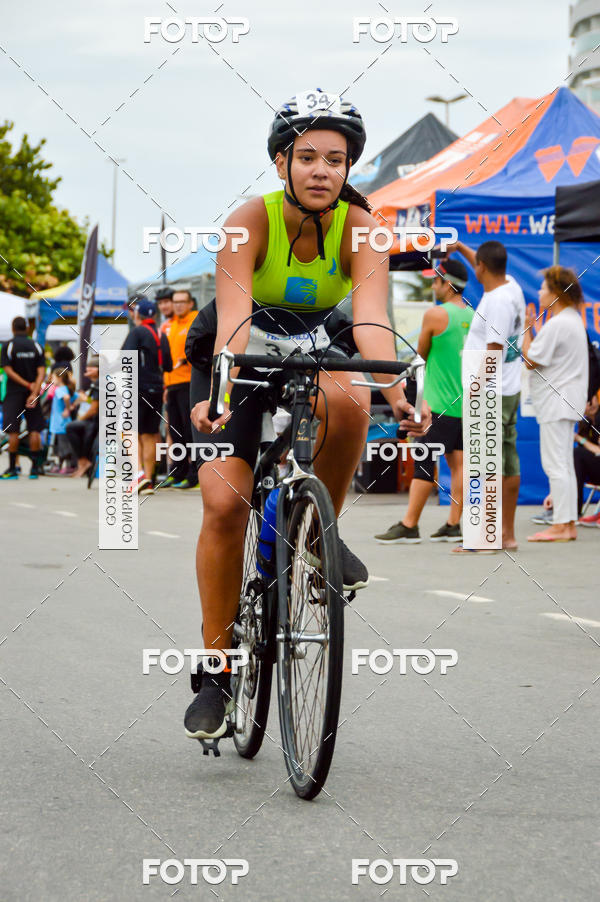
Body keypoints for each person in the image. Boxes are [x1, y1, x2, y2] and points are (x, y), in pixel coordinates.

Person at [181, 89, 430, 741]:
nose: (322, 170)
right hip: (234, 357)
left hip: (317, 350)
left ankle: (320, 535)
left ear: (349, 169)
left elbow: (373, 321)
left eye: (336, 159)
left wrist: (399, 392)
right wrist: (218, 396)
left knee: (353, 393)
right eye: (309, 157)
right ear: (280, 162)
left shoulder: (364, 229)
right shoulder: (249, 220)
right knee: (223, 503)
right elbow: (233, 320)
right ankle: (216, 672)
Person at [375, 259, 473, 544]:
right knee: (459, 464)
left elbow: (420, 358)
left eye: (437, 281)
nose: (433, 286)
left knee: (424, 462)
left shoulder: (436, 315)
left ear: (447, 283)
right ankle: (454, 524)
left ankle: (409, 525)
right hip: (465, 403)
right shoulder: (474, 315)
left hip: (438, 403)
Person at [449, 240, 526, 551]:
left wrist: (475, 393)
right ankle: (505, 534)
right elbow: (484, 263)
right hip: (508, 388)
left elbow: (493, 352)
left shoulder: (496, 301)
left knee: (482, 465)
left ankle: (483, 536)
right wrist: (459, 247)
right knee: (506, 462)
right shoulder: (512, 286)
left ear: (481, 267)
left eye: (476, 264)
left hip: (489, 392)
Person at [522, 267, 589, 541]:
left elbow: (530, 358)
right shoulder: (570, 320)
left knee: (556, 464)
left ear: (556, 293)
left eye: (543, 288)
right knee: (563, 464)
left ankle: (562, 524)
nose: (539, 292)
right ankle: (567, 523)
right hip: (565, 402)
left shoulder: (559, 323)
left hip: (557, 402)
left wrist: (527, 328)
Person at [122, 295, 172, 495]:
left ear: (137, 314)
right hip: (157, 388)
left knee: (129, 431)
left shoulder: (137, 332)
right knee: (150, 433)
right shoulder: (161, 333)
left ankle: (138, 475)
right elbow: (167, 365)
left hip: (138, 387)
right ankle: (148, 480)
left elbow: (126, 357)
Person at [0, 316, 46, 480]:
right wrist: (34, 391)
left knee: (13, 430)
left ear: (13, 328)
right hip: (33, 393)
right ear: (27, 328)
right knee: (35, 429)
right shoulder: (36, 346)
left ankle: (13, 468)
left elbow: (8, 370)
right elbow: (42, 371)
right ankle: (34, 468)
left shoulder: (8, 346)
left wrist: (27, 385)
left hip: (14, 393)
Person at [163, 289, 198, 489]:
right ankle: (178, 471)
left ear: (190, 303)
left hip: (189, 383)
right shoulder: (170, 325)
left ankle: (195, 474)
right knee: (175, 431)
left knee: (189, 430)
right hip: (172, 384)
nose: (177, 305)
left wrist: (186, 359)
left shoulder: (196, 320)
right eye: (175, 302)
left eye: (182, 302)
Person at [66, 356, 100, 478]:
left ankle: (83, 461)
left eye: (91, 369)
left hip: (99, 421)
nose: (87, 372)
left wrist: (81, 418)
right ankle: (83, 462)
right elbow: (94, 402)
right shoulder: (95, 384)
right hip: (98, 419)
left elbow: (94, 409)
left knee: (72, 427)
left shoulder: (99, 383)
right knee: (75, 427)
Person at [575, 395, 600, 525]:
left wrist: (580, 439)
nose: (589, 404)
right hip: (595, 471)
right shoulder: (585, 422)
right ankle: (566, 509)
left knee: (577, 453)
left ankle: (574, 511)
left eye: (591, 399)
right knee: (574, 456)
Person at [47, 364, 76, 473]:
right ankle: (65, 465)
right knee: (64, 445)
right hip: (64, 423)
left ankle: (65, 466)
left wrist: (67, 409)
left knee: (62, 447)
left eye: (53, 377)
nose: (51, 380)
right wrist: (72, 406)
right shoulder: (67, 389)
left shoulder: (60, 389)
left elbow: (67, 398)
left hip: (60, 423)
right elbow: (79, 397)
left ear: (59, 378)